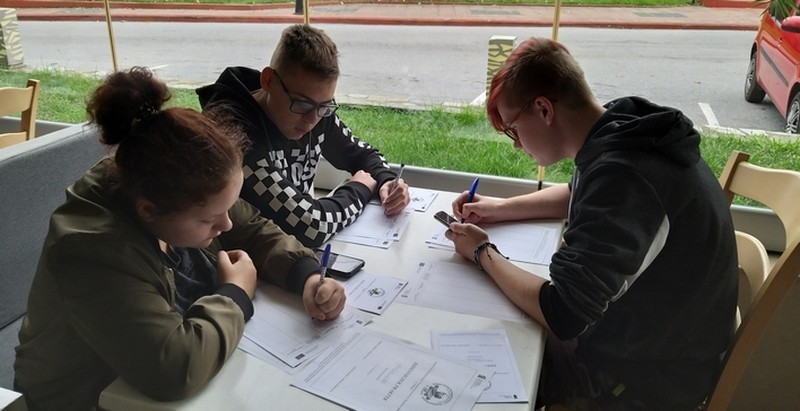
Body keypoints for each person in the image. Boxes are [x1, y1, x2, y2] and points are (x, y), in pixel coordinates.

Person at [14, 67, 346, 411]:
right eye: (209, 220)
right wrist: (235, 295)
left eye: (227, 208)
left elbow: (252, 228)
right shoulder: (93, 253)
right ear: (150, 210)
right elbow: (173, 369)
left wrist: (305, 275)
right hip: (86, 397)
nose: (226, 224)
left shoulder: (180, 183)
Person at [445, 37, 738, 410]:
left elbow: (563, 313)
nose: (516, 144)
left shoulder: (627, 175)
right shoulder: (620, 129)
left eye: (513, 129)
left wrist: (482, 252)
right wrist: (499, 209)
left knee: (474, 376)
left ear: (543, 109)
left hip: (645, 382)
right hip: (653, 339)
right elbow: (579, 192)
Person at [196, 24, 410, 248]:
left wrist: (388, 181)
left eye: (324, 106)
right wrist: (360, 189)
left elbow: (363, 155)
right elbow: (311, 226)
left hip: (287, 253)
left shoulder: (315, 110)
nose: (311, 120)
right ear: (268, 81)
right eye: (300, 104)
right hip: (243, 256)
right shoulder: (234, 135)